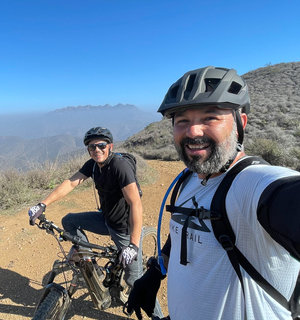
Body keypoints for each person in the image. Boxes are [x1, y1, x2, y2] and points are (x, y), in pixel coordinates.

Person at [127, 66, 300, 319]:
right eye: (182, 120)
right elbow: (182, 230)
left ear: (240, 123)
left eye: (210, 117)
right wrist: (155, 272)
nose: (193, 131)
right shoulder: (187, 180)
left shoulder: (252, 184)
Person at [28, 127, 144, 289]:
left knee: (135, 281)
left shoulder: (120, 167)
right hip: (105, 220)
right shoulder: (93, 165)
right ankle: (94, 269)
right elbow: (71, 182)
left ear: (110, 146)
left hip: (123, 229)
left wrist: (133, 244)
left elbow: (135, 204)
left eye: (102, 145)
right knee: (69, 221)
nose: (97, 150)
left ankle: (155, 314)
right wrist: (42, 204)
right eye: (92, 147)